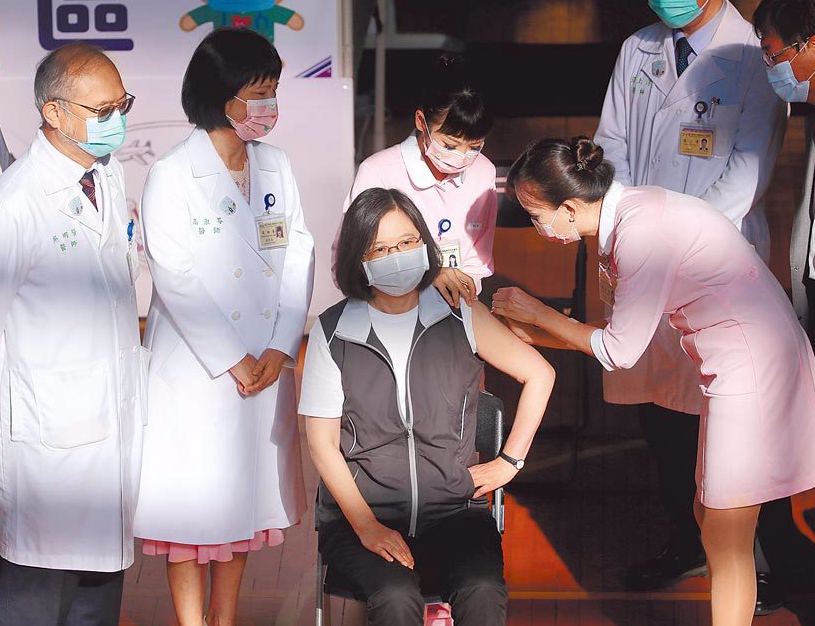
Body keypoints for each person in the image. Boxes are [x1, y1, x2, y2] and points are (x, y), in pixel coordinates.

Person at [491, 136, 815, 626]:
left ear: (570, 207)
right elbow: (617, 335)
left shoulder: (640, 232)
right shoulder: (630, 216)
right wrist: (536, 333)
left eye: (536, 215)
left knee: (726, 536)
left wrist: (538, 314)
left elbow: (619, 351)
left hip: (753, 370)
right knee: (712, 521)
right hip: (735, 367)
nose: (537, 228)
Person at [593, 0, 789, 605]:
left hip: (715, 260)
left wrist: (673, 243)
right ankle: (685, 541)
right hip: (640, 255)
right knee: (661, 411)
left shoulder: (754, 53)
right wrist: (629, 233)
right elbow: (610, 150)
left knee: (731, 421)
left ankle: (755, 560)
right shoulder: (638, 49)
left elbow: (747, 175)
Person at [303, 187, 554, 626]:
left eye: (406, 242)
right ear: (358, 259)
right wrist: (366, 526)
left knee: (483, 588)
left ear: (424, 243)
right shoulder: (333, 332)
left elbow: (540, 374)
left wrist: (510, 462)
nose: (396, 256)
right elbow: (322, 444)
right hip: (363, 517)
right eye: (380, 249)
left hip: (454, 513)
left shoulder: (460, 314)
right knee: (395, 596)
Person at [133, 28, 314, 626]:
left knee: (243, 508)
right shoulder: (172, 173)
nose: (269, 105)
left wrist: (282, 347)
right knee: (191, 519)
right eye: (257, 93)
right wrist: (235, 359)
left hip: (265, 363)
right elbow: (174, 276)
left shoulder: (275, 164)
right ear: (220, 95)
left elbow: (299, 253)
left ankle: (225, 618)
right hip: (199, 371)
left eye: (272, 91)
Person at [0, 43, 145, 626]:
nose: (116, 121)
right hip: (49, 447)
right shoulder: (17, 202)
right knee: (38, 603)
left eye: (122, 105)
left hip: (110, 433)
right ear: (53, 112)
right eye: (102, 111)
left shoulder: (105, 174)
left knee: (98, 600)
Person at [339, 53, 498, 308]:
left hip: (460, 306)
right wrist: (427, 277)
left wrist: (460, 294)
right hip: (391, 309)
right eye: (450, 145)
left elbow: (479, 259)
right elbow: (351, 260)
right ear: (421, 121)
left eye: (474, 147)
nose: (461, 157)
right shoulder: (378, 172)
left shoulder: (483, 172)